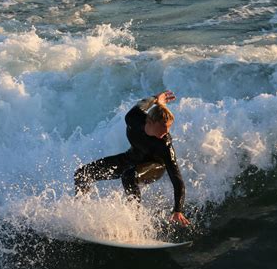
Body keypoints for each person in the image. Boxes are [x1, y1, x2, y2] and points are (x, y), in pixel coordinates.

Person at [74, 90, 191, 226]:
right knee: (82, 174)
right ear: (150, 122)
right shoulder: (133, 118)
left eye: (168, 129)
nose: (166, 133)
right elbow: (142, 104)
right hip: (132, 157)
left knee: (129, 176)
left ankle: (135, 222)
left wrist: (178, 210)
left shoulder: (164, 145)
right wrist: (155, 98)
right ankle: (80, 214)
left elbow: (177, 178)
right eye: (163, 128)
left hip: (155, 166)